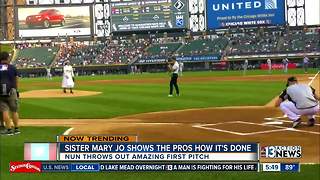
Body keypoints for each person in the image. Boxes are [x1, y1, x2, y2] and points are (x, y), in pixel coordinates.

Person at [0, 52, 20, 135]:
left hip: (1, 92)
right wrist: (16, 90)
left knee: (5, 111)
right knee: (14, 111)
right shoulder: (12, 67)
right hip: (12, 91)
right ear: (8, 58)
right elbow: (16, 80)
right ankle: (16, 128)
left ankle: (8, 130)